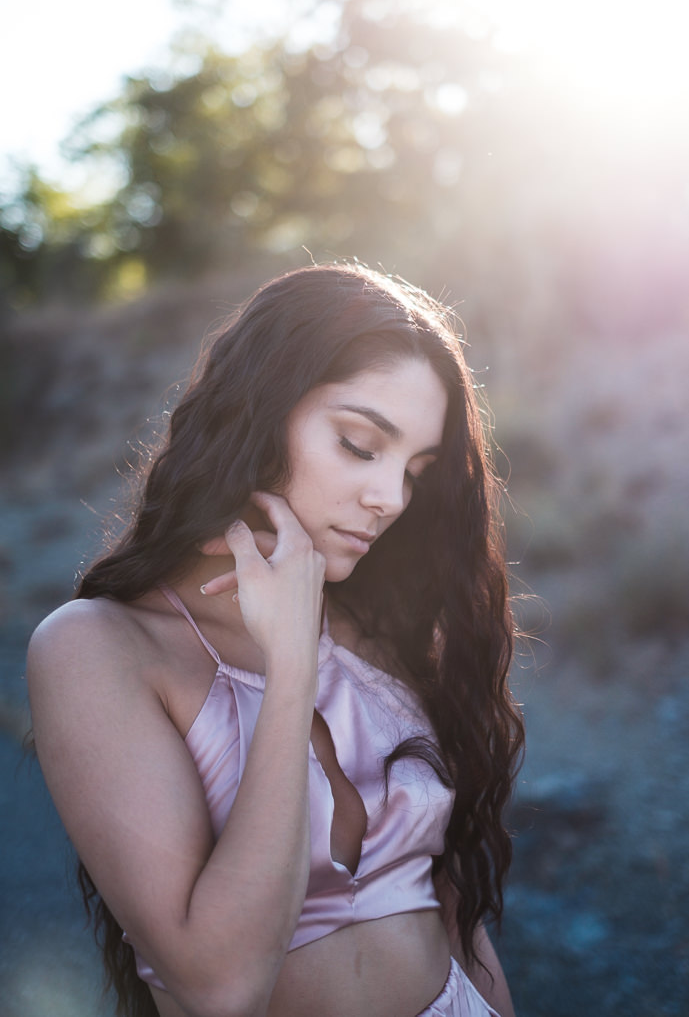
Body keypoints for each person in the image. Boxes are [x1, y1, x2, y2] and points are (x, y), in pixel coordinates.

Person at [27, 262, 524, 1017]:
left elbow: (453, 915)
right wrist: (291, 663)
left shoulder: (386, 628)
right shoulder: (98, 648)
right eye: (360, 445)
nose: (389, 499)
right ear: (258, 410)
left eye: (416, 470)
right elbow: (220, 985)